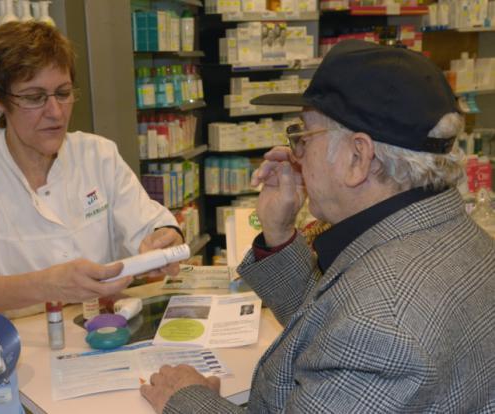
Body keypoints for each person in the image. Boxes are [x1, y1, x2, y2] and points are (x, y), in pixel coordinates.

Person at [141, 40, 495, 413]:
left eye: (303, 138)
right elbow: (330, 324)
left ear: (358, 158)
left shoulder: (381, 322)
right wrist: (278, 233)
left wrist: (186, 399)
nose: (296, 155)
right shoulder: (447, 235)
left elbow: (363, 326)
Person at [0, 21, 183, 320]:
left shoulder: (97, 154)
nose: (55, 112)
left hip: (99, 334)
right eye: (34, 97)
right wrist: (47, 285)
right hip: (13, 347)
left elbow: (151, 225)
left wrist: (165, 239)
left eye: (63, 93)